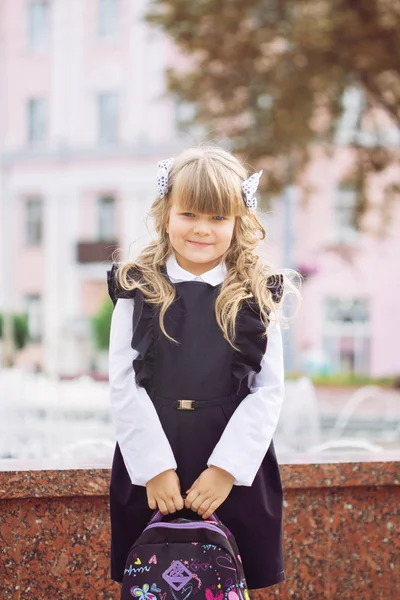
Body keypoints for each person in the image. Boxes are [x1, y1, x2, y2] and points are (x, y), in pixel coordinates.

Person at [107, 146, 299, 591]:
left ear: (238, 221)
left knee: (229, 584)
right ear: (166, 213)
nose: (202, 229)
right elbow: (123, 382)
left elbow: (268, 390)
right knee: (151, 583)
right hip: (152, 463)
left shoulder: (255, 293)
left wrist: (226, 470)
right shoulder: (137, 288)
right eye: (190, 213)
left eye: (218, 218)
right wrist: (154, 467)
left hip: (233, 467)